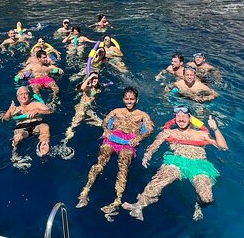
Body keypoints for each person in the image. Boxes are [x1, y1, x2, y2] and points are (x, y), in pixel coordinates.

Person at [122, 107, 227, 221]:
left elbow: (223, 148)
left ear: (190, 118)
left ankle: (199, 204)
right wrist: (147, 155)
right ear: (174, 119)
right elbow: (155, 144)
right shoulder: (168, 132)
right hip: (176, 162)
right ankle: (139, 205)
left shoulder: (201, 134)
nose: (181, 119)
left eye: (184, 116)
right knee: (158, 182)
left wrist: (215, 129)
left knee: (207, 198)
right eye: (178, 116)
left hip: (199, 165)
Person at [76, 87, 154, 220]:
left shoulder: (142, 115)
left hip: (129, 142)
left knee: (123, 168)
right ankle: (85, 192)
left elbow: (150, 129)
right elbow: (106, 124)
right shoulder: (116, 111)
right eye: (127, 99)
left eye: (132, 99)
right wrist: (106, 130)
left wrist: (139, 138)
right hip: (113, 139)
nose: (129, 101)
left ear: (137, 99)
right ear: (123, 99)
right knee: (100, 163)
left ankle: (117, 200)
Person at [2, 86, 53, 161]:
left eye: (26, 94)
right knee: (18, 136)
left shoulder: (36, 104)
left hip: (38, 123)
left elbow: (50, 111)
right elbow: (4, 119)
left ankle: (43, 144)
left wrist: (38, 111)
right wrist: (9, 112)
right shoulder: (16, 109)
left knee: (45, 128)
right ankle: (15, 152)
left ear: (29, 95)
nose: (23, 96)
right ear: (17, 97)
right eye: (21, 94)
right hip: (22, 127)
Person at [61, 71, 103, 148]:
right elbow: (82, 88)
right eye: (92, 78)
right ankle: (65, 142)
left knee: (101, 123)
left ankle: (87, 121)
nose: (94, 80)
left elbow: (100, 87)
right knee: (74, 125)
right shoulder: (88, 87)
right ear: (89, 79)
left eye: (96, 78)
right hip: (81, 108)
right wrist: (89, 78)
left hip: (88, 109)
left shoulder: (97, 88)